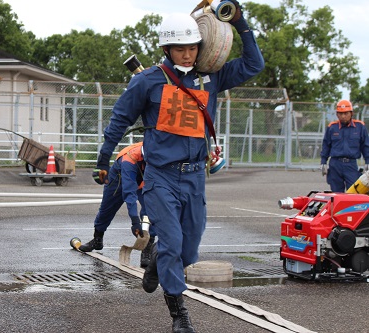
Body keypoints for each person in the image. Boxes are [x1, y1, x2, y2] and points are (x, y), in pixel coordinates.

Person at [92, 4, 264, 332]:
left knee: (188, 248)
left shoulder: (211, 78)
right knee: (170, 241)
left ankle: (157, 263)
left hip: (195, 177)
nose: (187, 54)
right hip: (160, 176)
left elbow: (255, 63)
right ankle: (178, 314)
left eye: (192, 47)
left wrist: (240, 23)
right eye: (180, 48)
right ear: (167, 49)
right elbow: (119, 119)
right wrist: (103, 158)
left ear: (201, 47)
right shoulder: (147, 81)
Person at [85, 141, 157, 268]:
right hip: (119, 179)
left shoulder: (159, 152)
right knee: (107, 209)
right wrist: (135, 221)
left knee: (151, 209)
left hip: (144, 180)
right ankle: (97, 239)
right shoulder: (129, 160)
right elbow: (129, 194)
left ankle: (147, 248)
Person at [320, 99, 369, 192]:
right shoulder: (332, 127)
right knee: (336, 193)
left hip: (351, 164)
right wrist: (323, 162)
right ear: (337, 114)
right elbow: (326, 145)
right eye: (340, 113)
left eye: (346, 113)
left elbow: (365, 145)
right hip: (335, 164)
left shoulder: (359, 127)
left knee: (354, 192)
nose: (343, 116)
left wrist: (368, 161)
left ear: (351, 113)